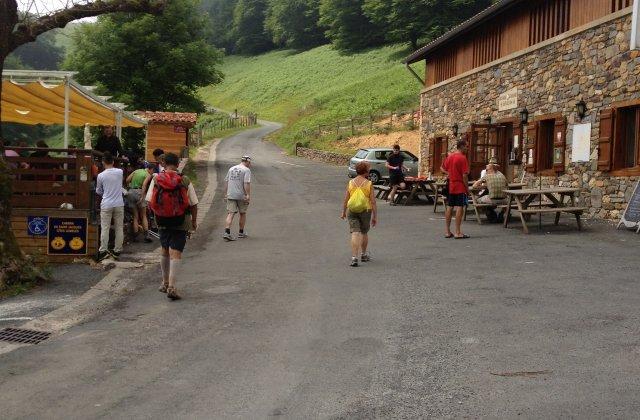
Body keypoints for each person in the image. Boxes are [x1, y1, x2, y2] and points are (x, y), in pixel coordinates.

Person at [146, 153, 198, 300]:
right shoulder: (184, 180)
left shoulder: (156, 179)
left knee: (164, 250)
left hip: (162, 220)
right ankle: (172, 287)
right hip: (181, 221)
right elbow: (194, 203)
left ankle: (164, 282)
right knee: (176, 253)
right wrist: (194, 221)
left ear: (163, 164)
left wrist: (158, 215)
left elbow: (149, 201)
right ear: (178, 164)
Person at [341, 161, 377, 267]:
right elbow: (373, 202)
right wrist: (375, 216)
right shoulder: (369, 184)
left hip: (351, 210)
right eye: (368, 169)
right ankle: (363, 255)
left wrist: (343, 211)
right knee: (364, 232)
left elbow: (346, 199)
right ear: (365, 171)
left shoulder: (351, 182)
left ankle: (354, 258)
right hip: (365, 210)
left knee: (355, 233)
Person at [96, 152, 125, 260]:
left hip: (106, 203)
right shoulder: (120, 172)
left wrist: (105, 193)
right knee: (119, 227)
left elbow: (98, 190)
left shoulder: (101, 175)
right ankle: (117, 250)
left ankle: (103, 250)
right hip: (119, 203)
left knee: (105, 228)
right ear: (113, 162)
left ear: (103, 162)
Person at [442, 139, 470, 239]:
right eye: (466, 146)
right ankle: (458, 232)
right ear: (461, 146)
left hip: (451, 185)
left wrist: (449, 173)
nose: (467, 148)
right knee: (460, 207)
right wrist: (467, 189)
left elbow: (443, 168)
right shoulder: (462, 158)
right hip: (459, 185)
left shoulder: (450, 157)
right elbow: (464, 176)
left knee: (450, 206)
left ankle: (447, 231)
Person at [223, 156, 252, 241]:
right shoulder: (246, 170)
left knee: (230, 213)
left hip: (231, 194)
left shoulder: (231, 168)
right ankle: (241, 232)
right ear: (247, 162)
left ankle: (227, 232)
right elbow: (246, 183)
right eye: (250, 163)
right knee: (242, 213)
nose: (250, 164)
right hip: (241, 195)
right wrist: (248, 195)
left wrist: (225, 194)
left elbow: (226, 181)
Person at [126, 162, 155, 242]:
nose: (152, 173)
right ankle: (146, 236)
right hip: (140, 192)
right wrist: (142, 196)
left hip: (131, 192)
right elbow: (144, 185)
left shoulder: (136, 171)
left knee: (135, 216)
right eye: (153, 171)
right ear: (151, 169)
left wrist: (129, 188)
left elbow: (127, 180)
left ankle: (135, 236)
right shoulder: (148, 175)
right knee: (144, 215)